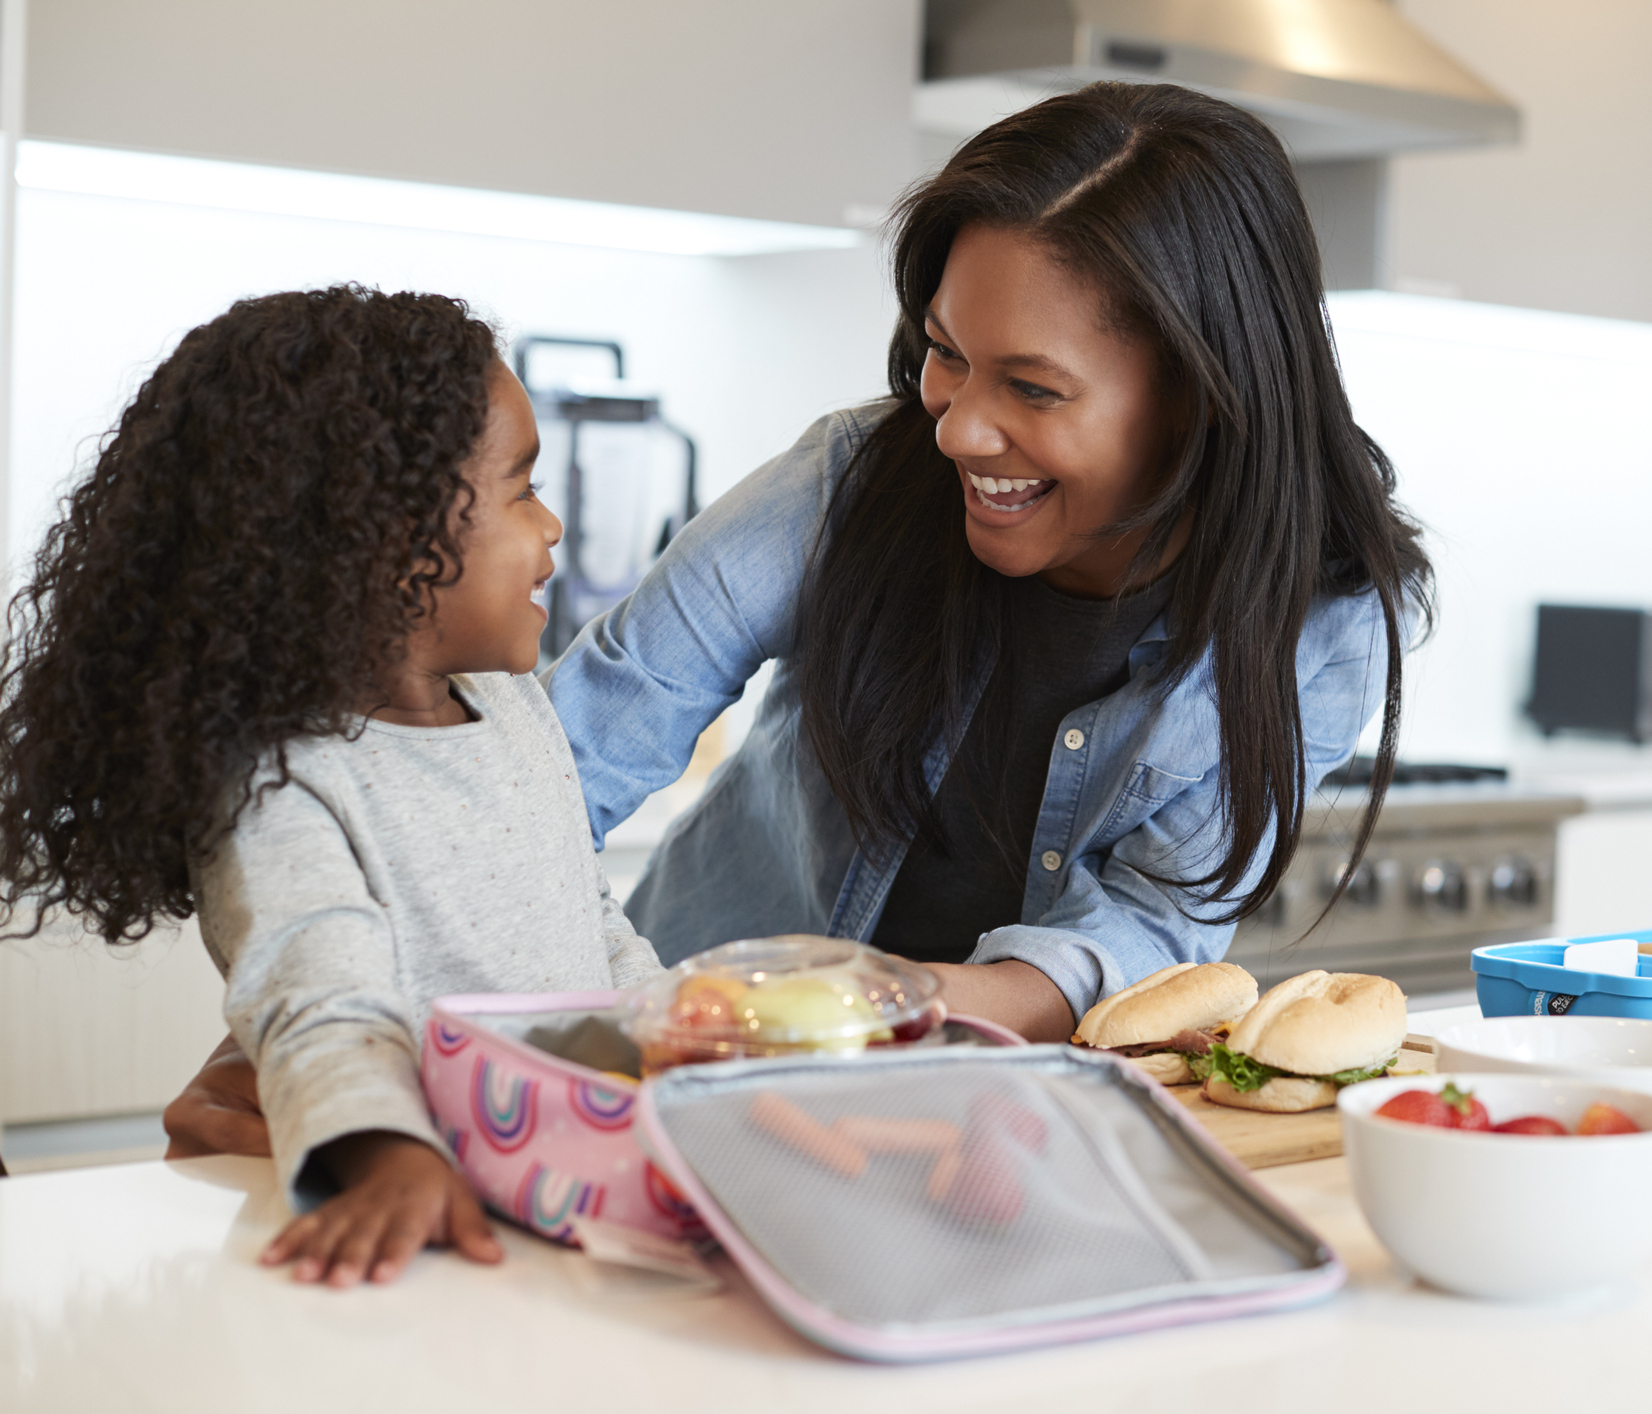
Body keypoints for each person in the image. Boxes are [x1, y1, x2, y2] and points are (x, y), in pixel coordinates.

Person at [160, 80, 1433, 1154]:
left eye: (1033, 388)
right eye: (945, 352)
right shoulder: (853, 482)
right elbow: (591, 732)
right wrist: (346, 1041)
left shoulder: (1319, 617)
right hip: (695, 1077)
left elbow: (1157, 924)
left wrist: (891, 1006)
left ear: (1203, 400)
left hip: (999, 1116)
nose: (958, 427)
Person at [0, 287, 666, 1284]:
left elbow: (590, 916)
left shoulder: (514, 708)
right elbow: (314, 996)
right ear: (391, 544)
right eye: (522, 490)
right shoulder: (279, 775)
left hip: (570, 1182)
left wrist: (679, 1028)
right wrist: (387, 1153)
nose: (554, 523)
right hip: (413, 1208)